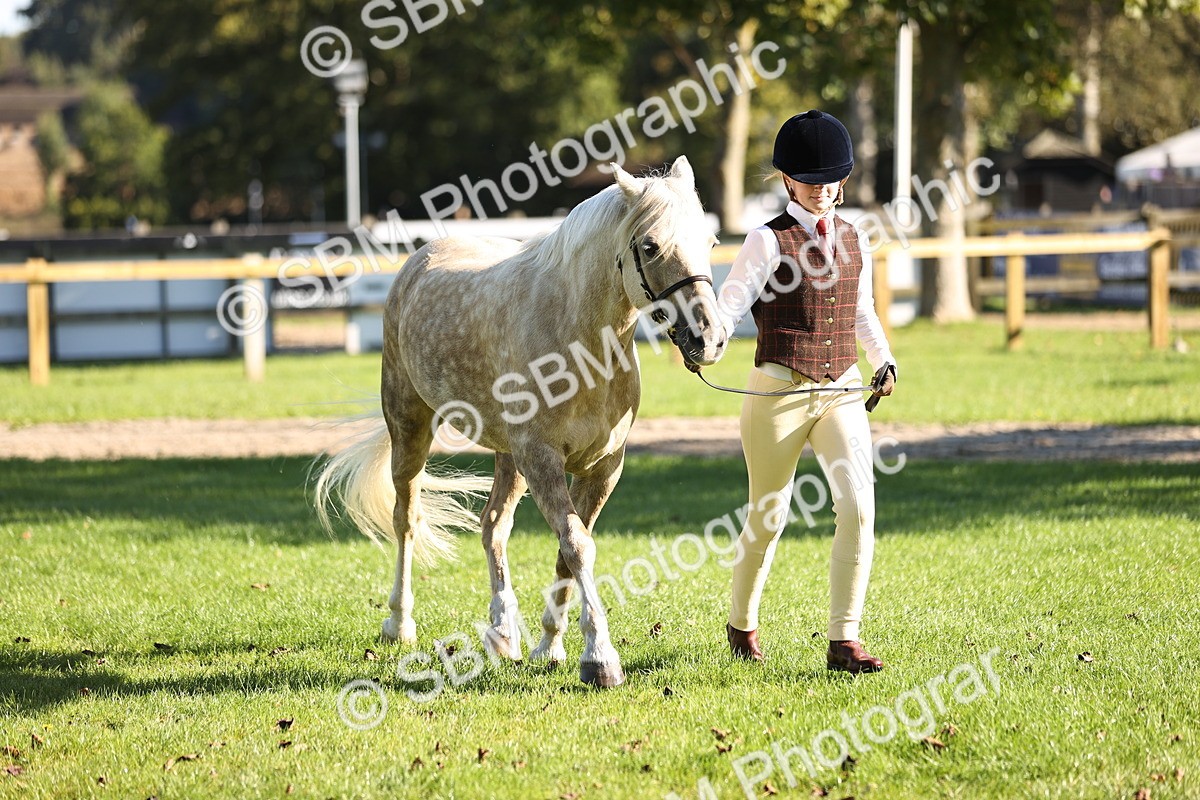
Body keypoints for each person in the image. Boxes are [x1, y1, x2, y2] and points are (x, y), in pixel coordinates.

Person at [716, 109, 896, 674]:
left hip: (842, 389)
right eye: (811, 182)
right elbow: (729, 308)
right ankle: (741, 622)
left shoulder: (853, 236)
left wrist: (884, 358)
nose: (823, 192)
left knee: (860, 508)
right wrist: (704, 341)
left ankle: (844, 641)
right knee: (769, 517)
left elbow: (861, 310)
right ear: (788, 180)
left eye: (831, 181)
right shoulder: (766, 241)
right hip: (779, 392)